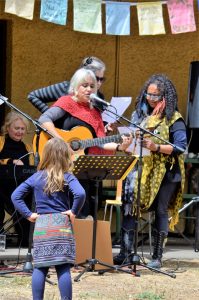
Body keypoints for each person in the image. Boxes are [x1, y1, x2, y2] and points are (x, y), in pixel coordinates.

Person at [113, 74, 187, 269]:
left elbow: (181, 147)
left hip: (166, 172)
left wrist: (156, 147)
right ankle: (126, 253)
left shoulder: (174, 119)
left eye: (156, 95)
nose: (151, 98)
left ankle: (156, 257)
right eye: (149, 94)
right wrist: (124, 138)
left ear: (165, 97)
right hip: (139, 170)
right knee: (130, 207)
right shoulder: (138, 116)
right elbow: (129, 142)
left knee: (160, 211)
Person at [38, 68, 131, 218]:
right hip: (60, 166)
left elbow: (101, 141)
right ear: (75, 86)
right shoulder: (66, 102)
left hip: (81, 170)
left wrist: (120, 146)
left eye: (92, 86)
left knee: (83, 211)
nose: (89, 89)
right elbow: (44, 120)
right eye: (84, 85)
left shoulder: (95, 112)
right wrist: (61, 142)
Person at [11, 137, 86, 300]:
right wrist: (73, 212)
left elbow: (15, 196)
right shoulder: (67, 176)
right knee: (63, 267)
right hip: (62, 225)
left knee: (40, 267)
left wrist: (29, 214)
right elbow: (80, 194)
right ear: (65, 156)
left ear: (46, 155)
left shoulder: (36, 177)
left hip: (42, 225)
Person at [0, 111, 34, 246]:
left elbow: (32, 169)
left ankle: (25, 241)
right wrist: (10, 161)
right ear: (8, 128)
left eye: (22, 129)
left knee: (31, 200)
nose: (20, 132)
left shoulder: (28, 147)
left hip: (21, 187)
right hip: (2, 185)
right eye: (16, 128)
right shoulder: (1, 141)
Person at [28, 56, 106, 113]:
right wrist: (52, 116)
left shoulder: (99, 97)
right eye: (96, 78)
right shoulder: (65, 87)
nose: (99, 83)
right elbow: (33, 96)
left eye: (101, 79)